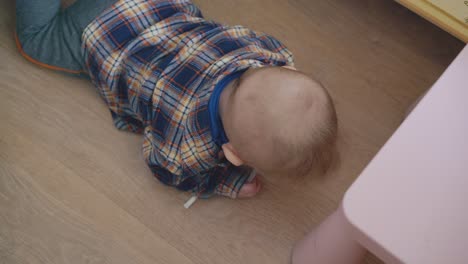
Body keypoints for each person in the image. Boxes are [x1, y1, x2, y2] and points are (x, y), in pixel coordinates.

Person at [15, 0, 338, 199]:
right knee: (36, 41)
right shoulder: (186, 149)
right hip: (95, 32)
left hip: (157, 6)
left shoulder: (265, 51)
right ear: (234, 155)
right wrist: (225, 184)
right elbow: (163, 169)